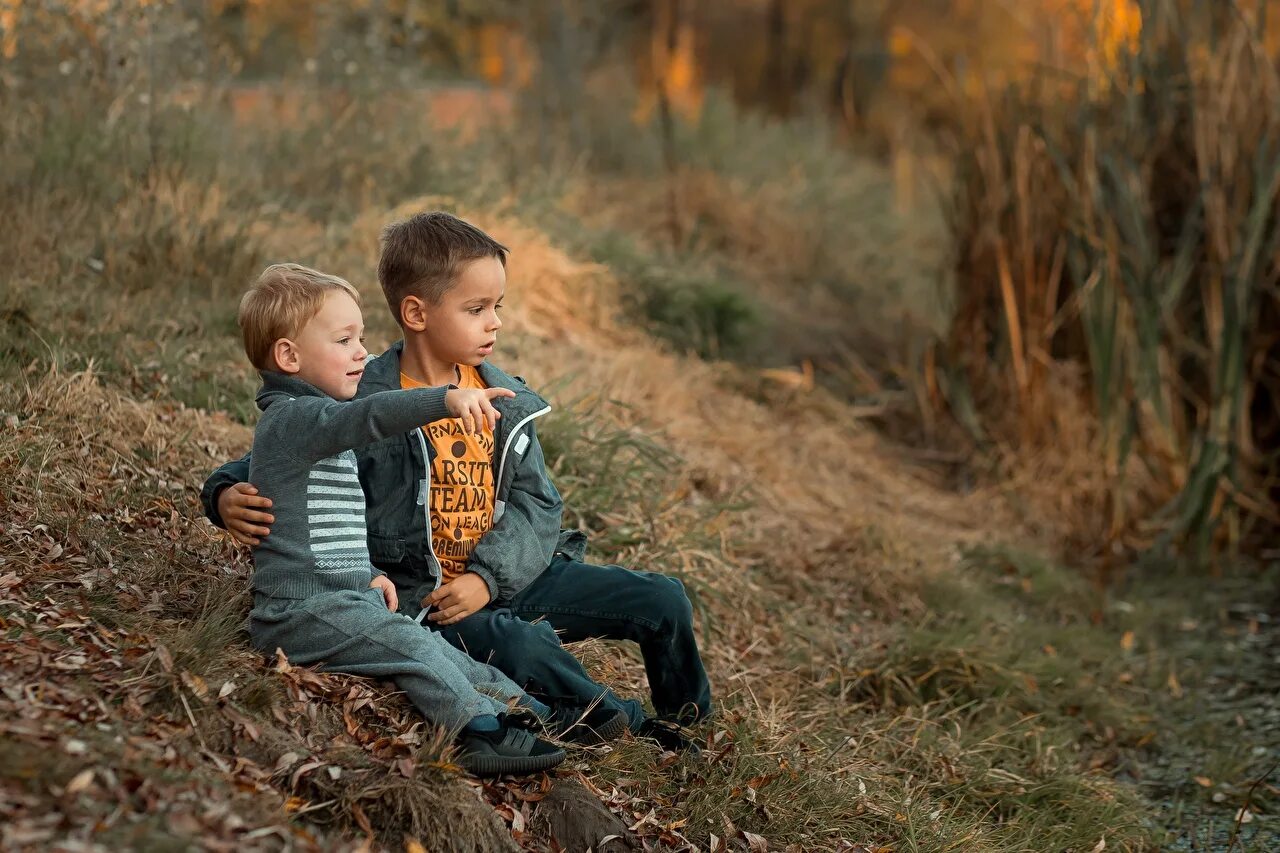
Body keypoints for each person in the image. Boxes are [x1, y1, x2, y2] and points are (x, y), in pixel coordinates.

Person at [203, 214, 711, 750]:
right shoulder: (360, 395)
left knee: (662, 599)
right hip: (434, 598)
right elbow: (277, 455)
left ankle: (690, 717)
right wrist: (223, 494)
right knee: (524, 648)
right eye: (476, 309)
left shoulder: (504, 398)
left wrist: (488, 579)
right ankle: (628, 727)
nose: (495, 324)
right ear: (417, 313)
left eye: (497, 307)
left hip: (509, 574)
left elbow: (538, 504)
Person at [230, 262, 615, 777]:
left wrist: (368, 573)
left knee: (443, 652)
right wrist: (443, 400)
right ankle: (477, 732)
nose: (362, 352)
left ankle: (531, 713)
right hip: (299, 612)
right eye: (344, 340)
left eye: (361, 338)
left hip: (344, 598)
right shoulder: (294, 419)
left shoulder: (321, 429)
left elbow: (321, 527)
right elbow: (369, 415)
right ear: (288, 357)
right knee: (412, 646)